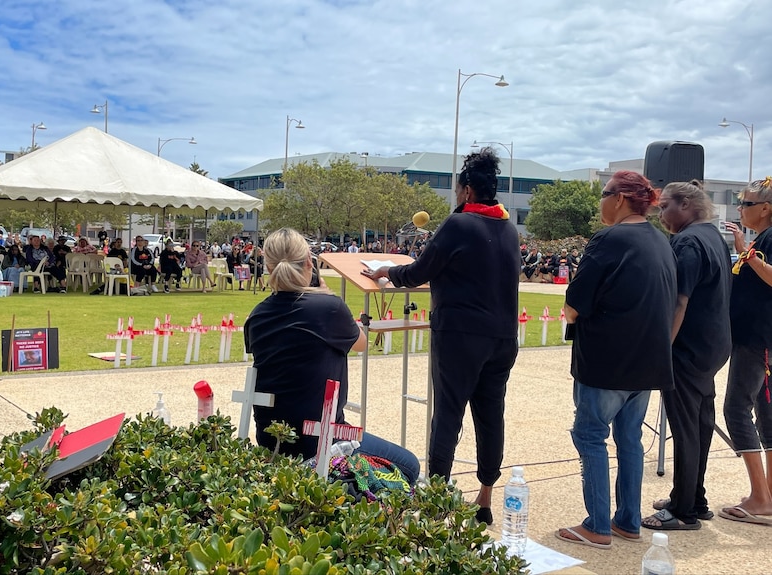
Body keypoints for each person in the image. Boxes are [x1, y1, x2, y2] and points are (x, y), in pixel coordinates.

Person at [363, 148, 519, 524]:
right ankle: (484, 498)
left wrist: (385, 271)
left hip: (460, 336)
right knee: (490, 414)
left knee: (448, 415)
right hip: (503, 337)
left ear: (466, 191)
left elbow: (418, 272)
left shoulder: (458, 224)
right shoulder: (509, 228)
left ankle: (435, 503)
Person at [557, 170, 676, 548]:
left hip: (607, 360)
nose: (601, 202)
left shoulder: (609, 239)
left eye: (604, 195)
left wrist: (574, 311)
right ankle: (627, 520)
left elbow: (574, 306)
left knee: (590, 435)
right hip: (648, 362)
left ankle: (597, 525)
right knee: (630, 440)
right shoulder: (661, 241)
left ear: (621, 198)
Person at [244, 228, 420, 485]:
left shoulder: (257, 315)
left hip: (272, 438)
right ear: (308, 264)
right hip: (322, 437)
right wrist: (328, 296)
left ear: (269, 267)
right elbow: (361, 343)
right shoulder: (328, 308)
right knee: (410, 466)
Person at [639, 180, 732, 531]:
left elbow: (679, 301)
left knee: (686, 427)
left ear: (688, 205)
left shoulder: (688, 241)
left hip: (689, 348)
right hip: (715, 344)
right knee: (700, 423)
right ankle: (694, 496)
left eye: (665, 206)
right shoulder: (712, 236)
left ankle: (682, 510)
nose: (661, 213)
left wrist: (662, 348)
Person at [720, 177, 772, 525]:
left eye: (747, 204)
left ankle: (760, 496)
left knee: (736, 409)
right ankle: (766, 493)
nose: (741, 209)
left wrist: (747, 253)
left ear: (766, 208)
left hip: (759, 339)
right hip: (756, 337)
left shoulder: (766, 240)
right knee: (765, 414)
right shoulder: (763, 238)